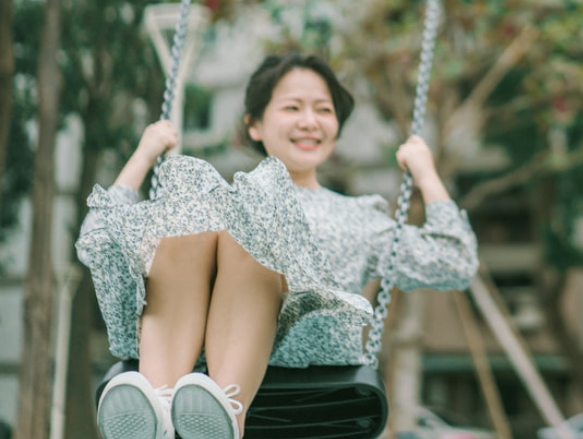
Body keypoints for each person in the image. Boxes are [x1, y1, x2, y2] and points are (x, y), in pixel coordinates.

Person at [77, 54, 479, 439]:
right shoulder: (213, 207)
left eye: (324, 110)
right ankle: (161, 407)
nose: (310, 122)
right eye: (293, 108)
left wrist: (426, 174)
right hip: (193, 363)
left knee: (247, 222)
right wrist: (143, 156)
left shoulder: (360, 216)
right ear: (254, 125)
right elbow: (96, 244)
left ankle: (224, 413)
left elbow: (454, 261)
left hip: (314, 361)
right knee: (194, 216)